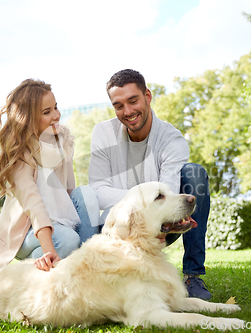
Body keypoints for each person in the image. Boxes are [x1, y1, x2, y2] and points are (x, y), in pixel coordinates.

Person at [88, 69, 212, 300]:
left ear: (148, 96)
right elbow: (96, 191)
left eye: (133, 101)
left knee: (195, 173)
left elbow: (167, 193)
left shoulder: (171, 139)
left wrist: (142, 202)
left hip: (159, 223)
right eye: (118, 105)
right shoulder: (103, 133)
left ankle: (192, 276)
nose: (127, 111)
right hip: (118, 227)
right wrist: (142, 200)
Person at [0, 79, 100, 284]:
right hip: (27, 231)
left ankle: (90, 271)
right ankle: (37, 265)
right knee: (67, 240)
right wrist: (50, 250)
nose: (56, 115)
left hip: (61, 222)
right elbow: (34, 206)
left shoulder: (62, 144)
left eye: (56, 108)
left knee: (86, 194)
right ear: (28, 119)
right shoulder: (20, 157)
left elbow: (69, 192)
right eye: (46, 112)